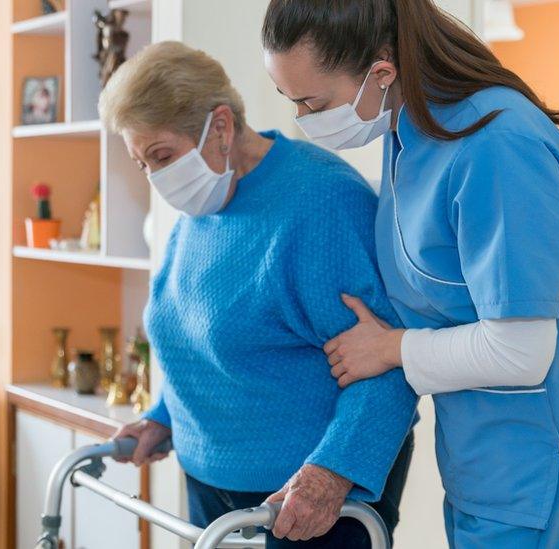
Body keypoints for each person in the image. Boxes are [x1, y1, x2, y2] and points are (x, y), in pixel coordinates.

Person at [262, 1, 559, 547]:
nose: (302, 118)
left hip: (546, 472)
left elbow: (522, 350)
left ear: (382, 71)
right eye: (290, 99)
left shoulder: (498, 145)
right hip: (482, 471)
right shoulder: (409, 131)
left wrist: (391, 348)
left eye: (312, 102)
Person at [99, 41, 417, 547]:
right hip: (211, 491)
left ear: (220, 126)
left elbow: (387, 367)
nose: (157, 178)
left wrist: (330, 475)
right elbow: (200, 338)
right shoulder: (204, 208)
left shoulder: (322, 202)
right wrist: (162, 418)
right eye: (142, 164)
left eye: (161, 155)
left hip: (306, 500)